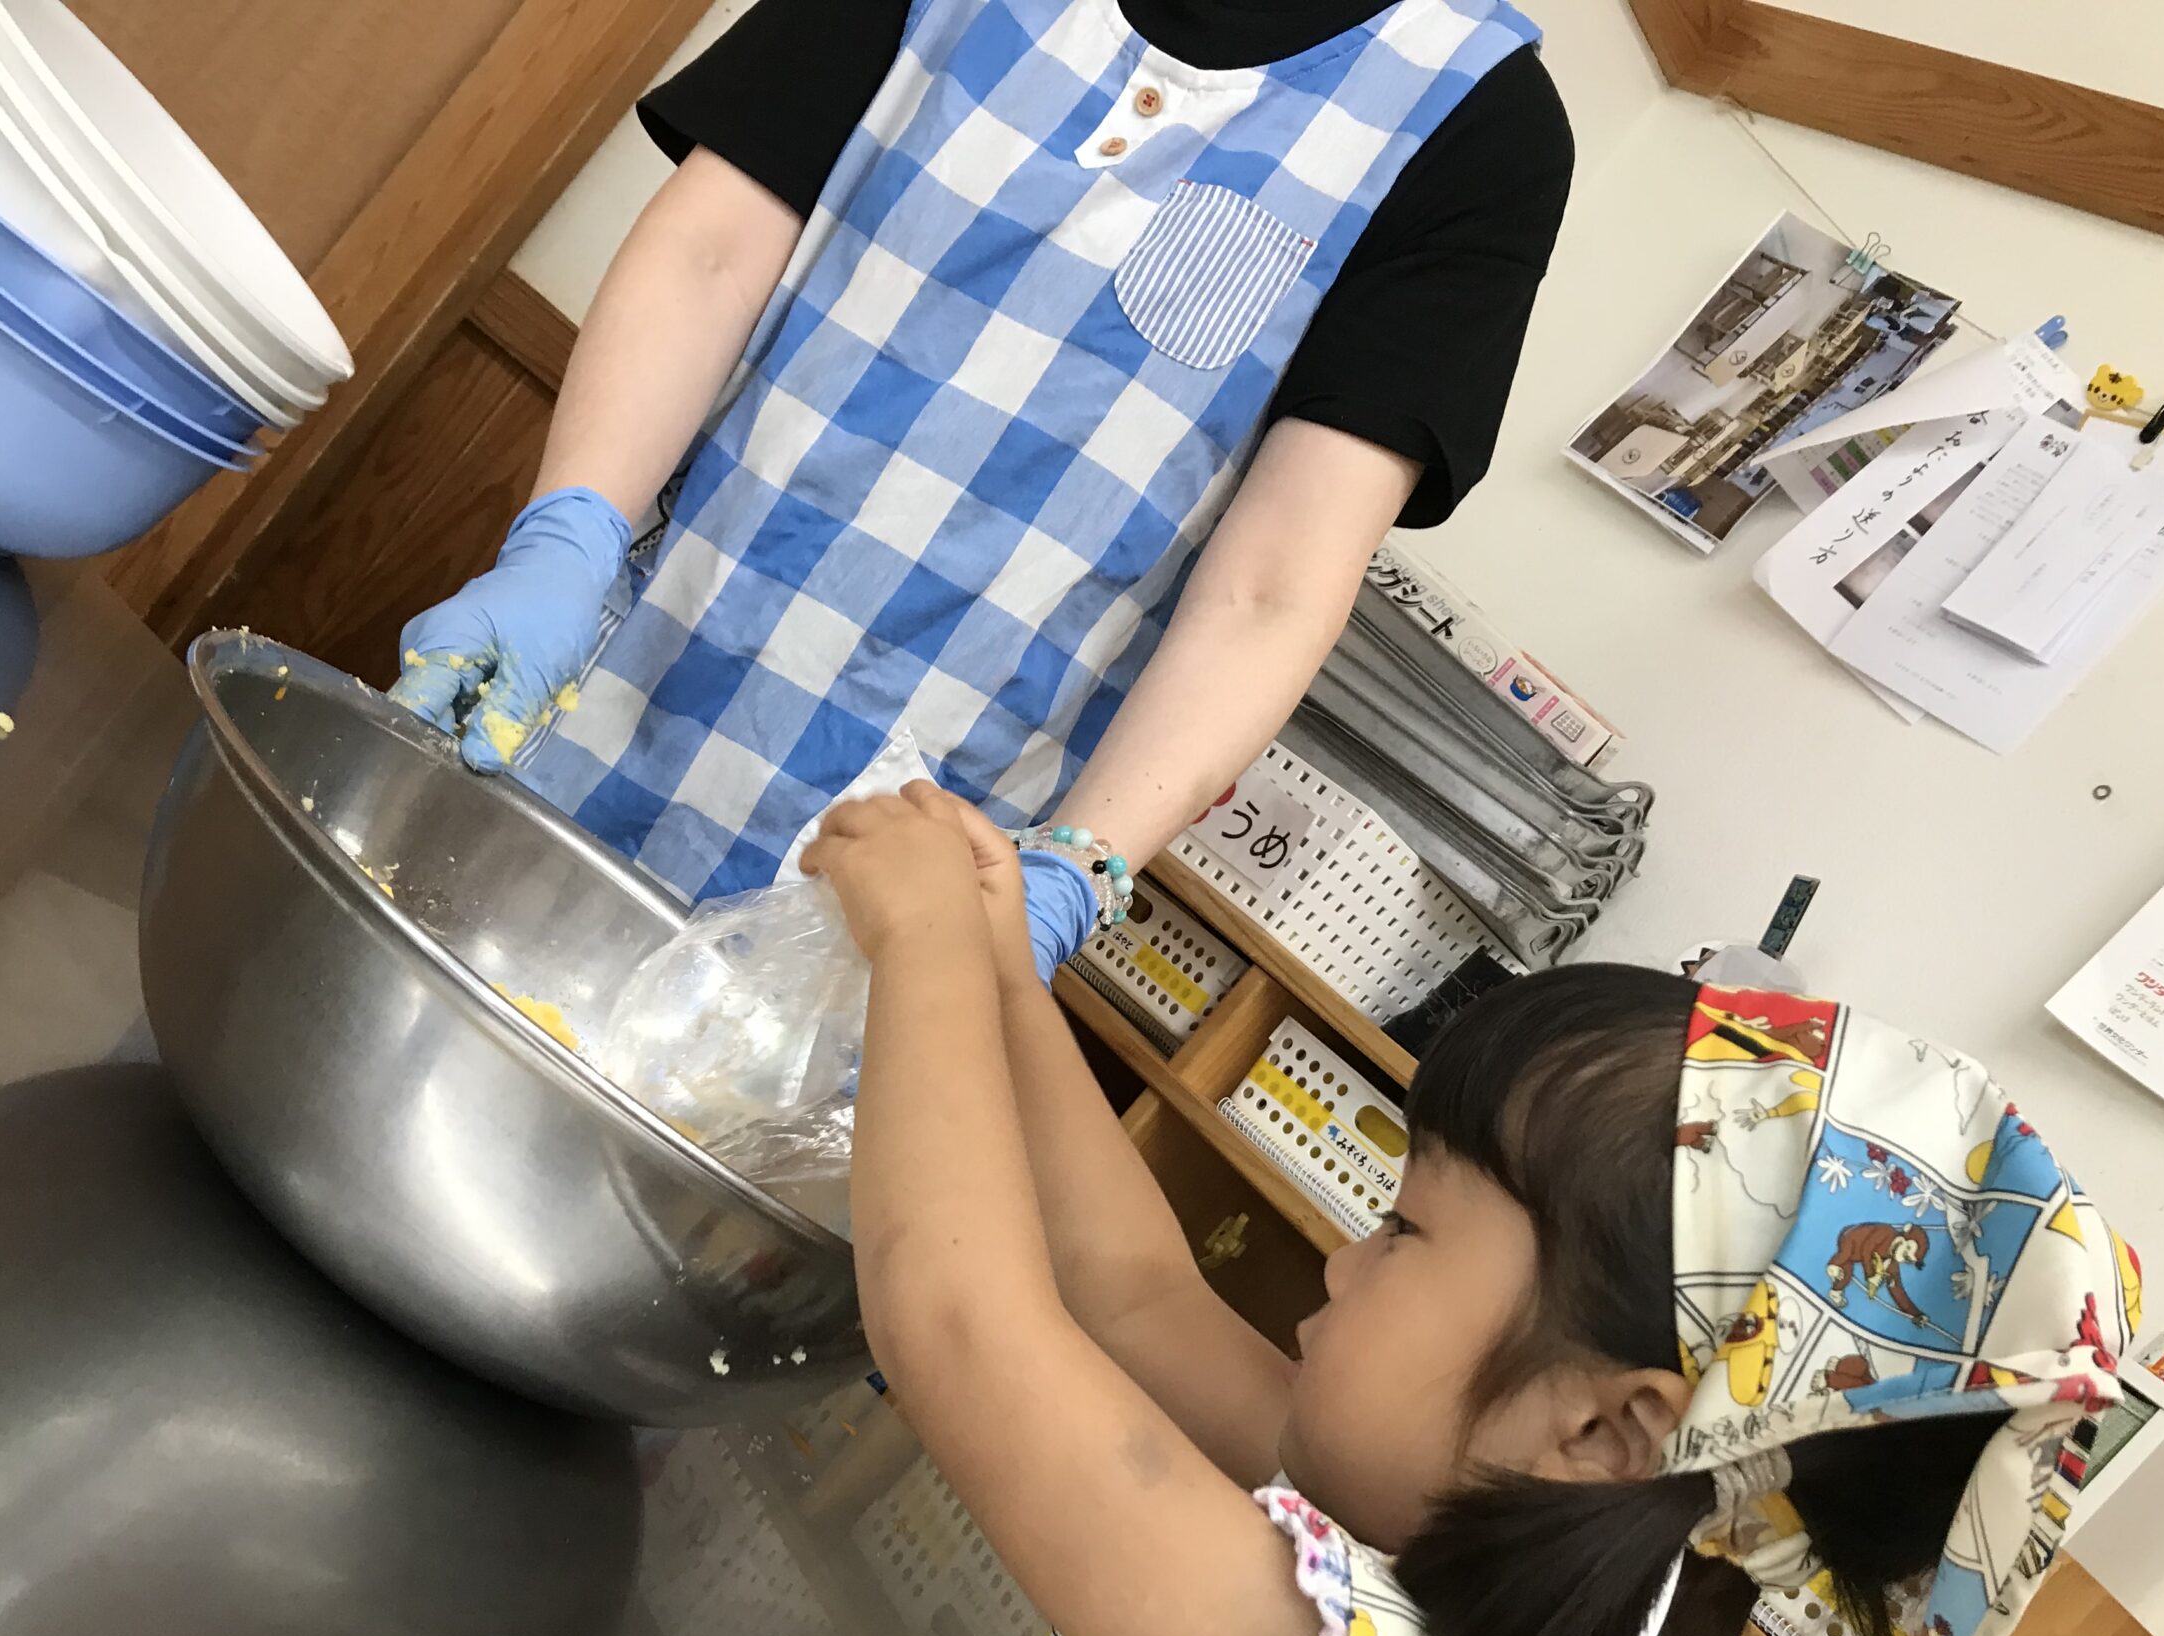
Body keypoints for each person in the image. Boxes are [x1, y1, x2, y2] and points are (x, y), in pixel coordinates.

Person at [788, 784, 2142, 1636]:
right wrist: (1002, 970)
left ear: (1603, 1429)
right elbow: (1136, 1295)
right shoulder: (1427, 1561)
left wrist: (921, 943)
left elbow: (958, 1325)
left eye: (1404, 1231)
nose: (1341, 1260)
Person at [394, 0, 1574, 978]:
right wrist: (565, 538)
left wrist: (1078, 869)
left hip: (925, 861)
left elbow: (1273, 583)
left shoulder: (1478, 127)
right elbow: (712, 248)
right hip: (604, 673)